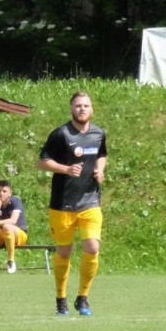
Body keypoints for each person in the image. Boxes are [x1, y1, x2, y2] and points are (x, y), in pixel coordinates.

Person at [37, 91, 107, 315]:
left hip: (90, 200)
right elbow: (42, 161)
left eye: (86, 105)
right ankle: (61, 299)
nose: (82, 109)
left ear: (92, 109)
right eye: (78, 106)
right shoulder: (61, 134)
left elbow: (101, 154)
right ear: (71, 109)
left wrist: (100, 169)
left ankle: (83, 298)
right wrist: (66, 169)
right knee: (64, 252)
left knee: (92, 247)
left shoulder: (98, 133)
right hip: (63, 203)